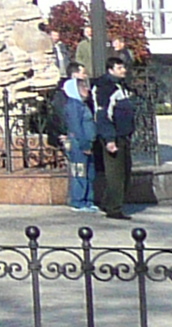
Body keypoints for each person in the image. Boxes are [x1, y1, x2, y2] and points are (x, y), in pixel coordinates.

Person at [93, 66, 141, 220]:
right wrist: (109, 139)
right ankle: (113, 208)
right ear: (110, 69)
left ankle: (108, 203)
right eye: (119, 68)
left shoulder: (123, 86)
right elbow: (103, 115)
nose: (124, 70)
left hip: (123, 135)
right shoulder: (105, 88)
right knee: (116, 175)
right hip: (114, 136)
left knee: (125, 172)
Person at [53, 68, 96, 210]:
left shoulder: (81, 104)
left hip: (87, 144)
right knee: (80, 173)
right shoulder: (73, 106)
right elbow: (76, 127)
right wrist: (84, 145)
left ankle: (88, 200)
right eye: (82, 87)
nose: (87, 90)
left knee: (89, 173)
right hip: (79, 145)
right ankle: (78, 201)